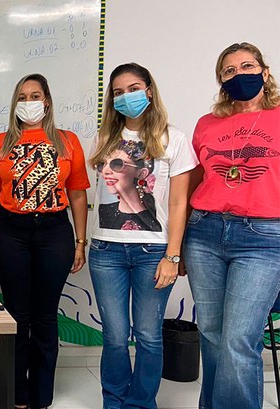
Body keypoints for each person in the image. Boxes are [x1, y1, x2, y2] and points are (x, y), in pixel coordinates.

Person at [88, 63, 197, 409]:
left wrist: (173, 255)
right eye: (118, 92)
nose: (126, 97)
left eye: (133, 88)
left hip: (153, 250)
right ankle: (115, 400)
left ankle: (140, 403)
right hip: (105, 250)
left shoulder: (172, 138)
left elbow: (180, 202)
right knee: (116, 337)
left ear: (149, 90)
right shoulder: (104, 137)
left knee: (149, 337)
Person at [0, 73, 89, 409]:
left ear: (47, 101)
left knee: (45, 315)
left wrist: (80, 241)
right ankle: (17, 394)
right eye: (22, 96)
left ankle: (41, 395)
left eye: (35, 95)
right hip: (9, 232)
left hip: (54, 232)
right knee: (16, 314)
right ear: (15, 104)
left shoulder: (67, 141)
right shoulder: (1, 142)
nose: (29, 102)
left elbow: (78, 194)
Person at [183, 42, 280, 409]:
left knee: (239, 338)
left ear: (265, 72)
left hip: (263, 238)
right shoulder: (207, 124)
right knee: (211, 333)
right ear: (221, 81)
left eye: (247, 66)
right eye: (229, 70)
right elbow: (192, 181)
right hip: (205, 232)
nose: (239, 74)